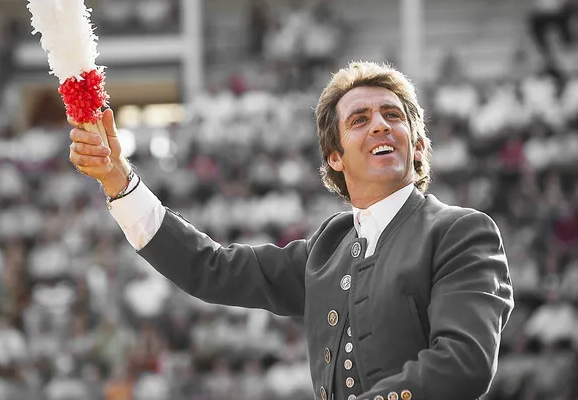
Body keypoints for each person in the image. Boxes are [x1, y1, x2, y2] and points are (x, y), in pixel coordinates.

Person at [68, 61, 514, 400]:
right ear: (334, 158)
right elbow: (211, 269)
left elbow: (464, 361)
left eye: (393, 116)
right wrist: (118, 182)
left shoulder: (461, 232)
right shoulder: (328, 248)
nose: (380, 124)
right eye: (359, 120)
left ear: (417, 146)